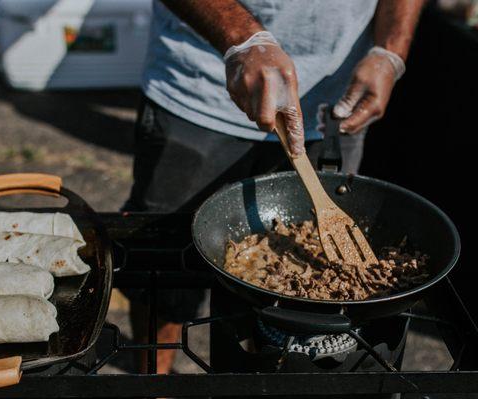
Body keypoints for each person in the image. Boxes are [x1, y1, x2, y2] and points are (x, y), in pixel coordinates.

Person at [122, 0, 425, 373]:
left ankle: (264, 380)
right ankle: (153, 382)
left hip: (336, 99)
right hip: (200, 88)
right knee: (165, 271)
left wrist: (390, 50)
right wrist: (241, 38)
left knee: (299, 315)